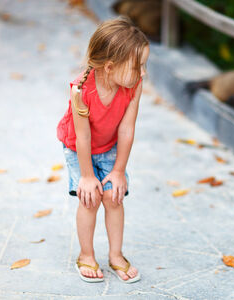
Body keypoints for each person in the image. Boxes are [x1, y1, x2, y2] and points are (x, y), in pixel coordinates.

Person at [56, 16, 149, 283]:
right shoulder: (81, 91)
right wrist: (87, 177)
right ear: (110, 67)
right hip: (78, 147)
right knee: (91, 197)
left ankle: (116, 255)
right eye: (138, 66)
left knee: (113, 197)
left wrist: (118, 171)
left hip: (109, 146)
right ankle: (86, 254)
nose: (143, 73)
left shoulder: (134, 85)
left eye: (144, 65)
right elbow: (82, 138)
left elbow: (126, 129)